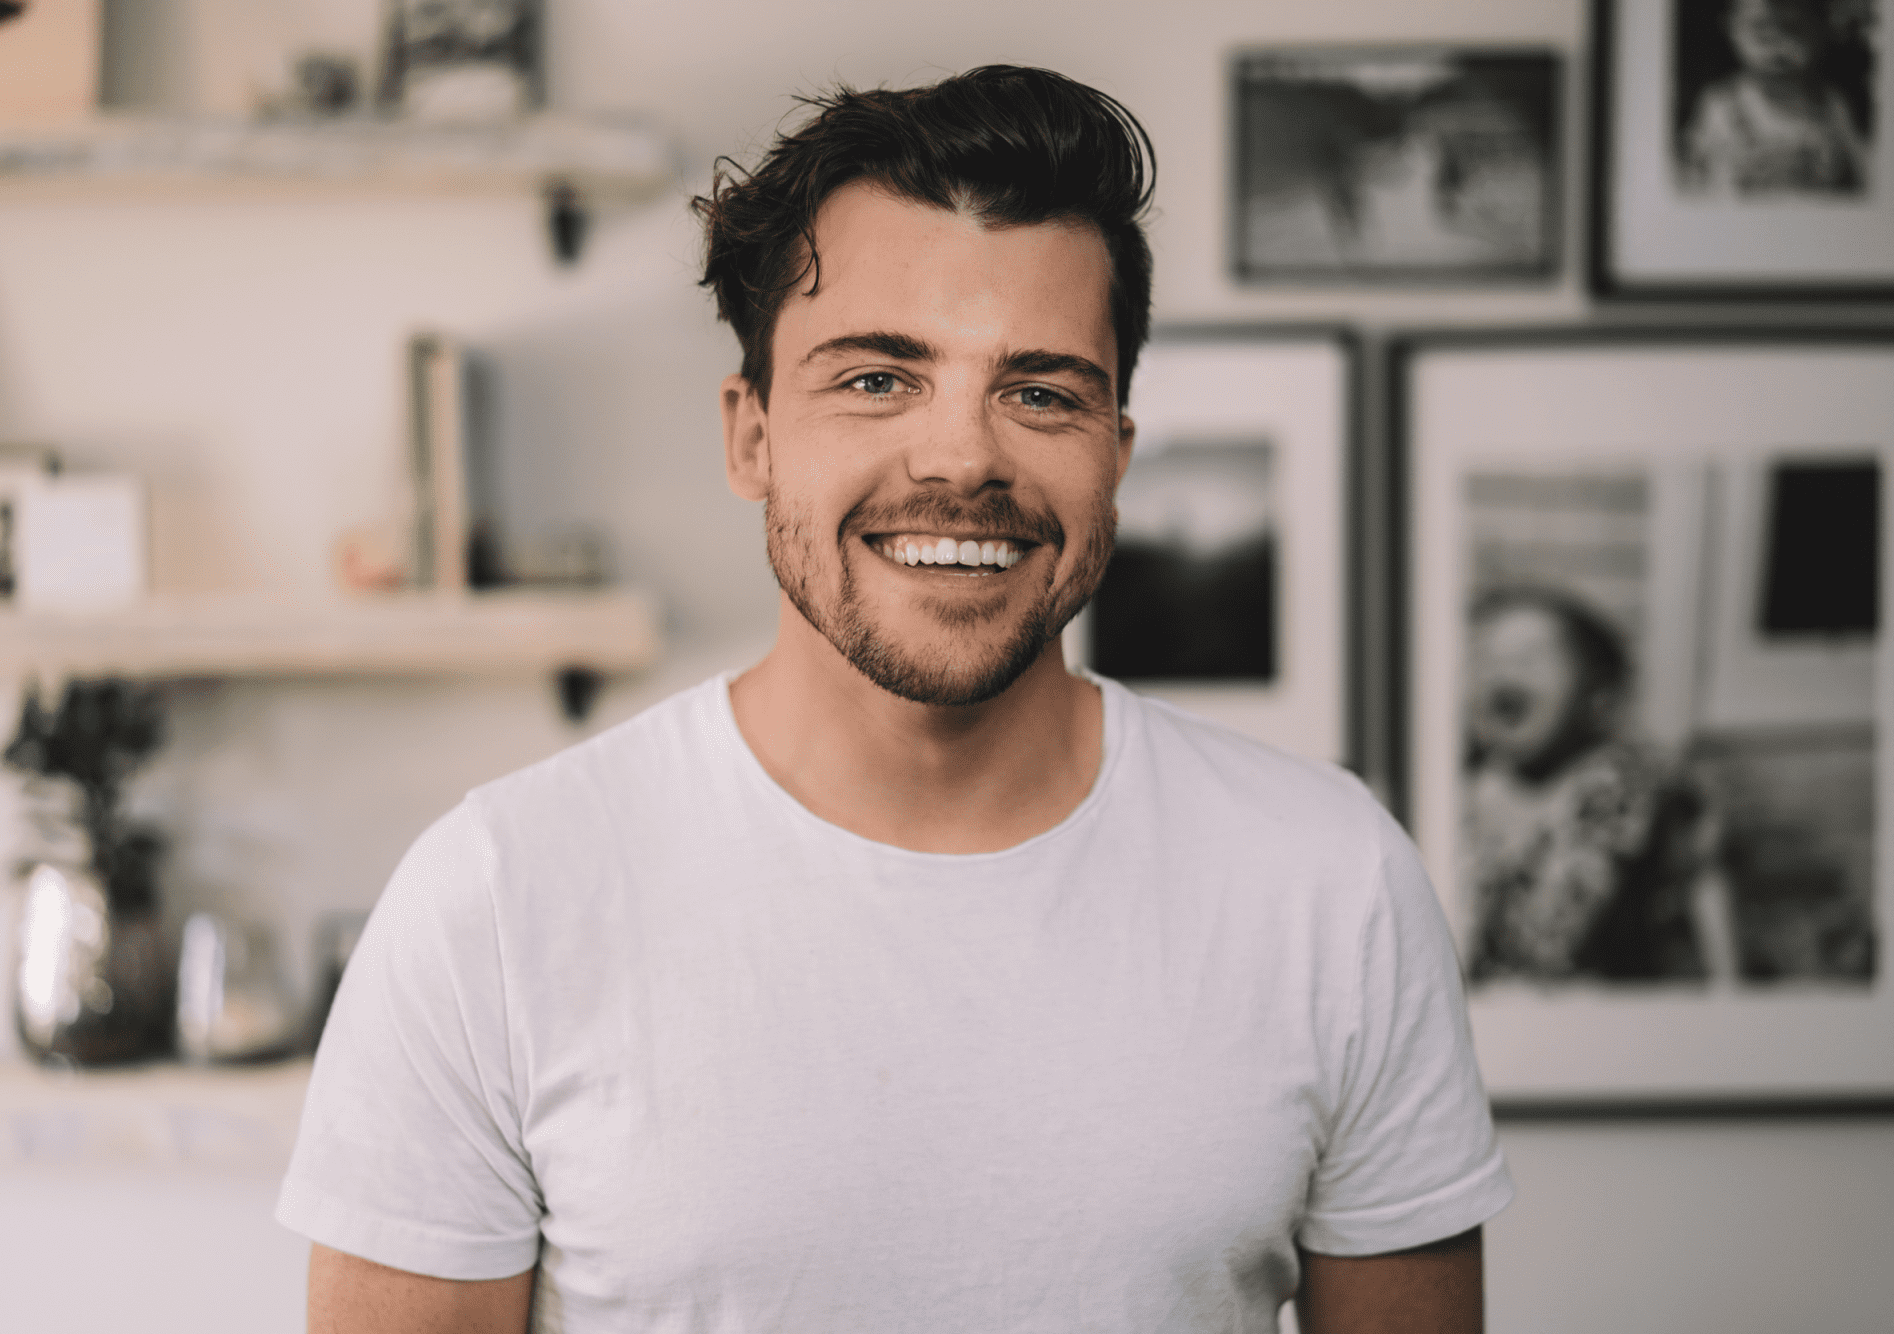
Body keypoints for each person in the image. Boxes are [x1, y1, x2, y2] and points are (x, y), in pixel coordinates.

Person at [278, 65, 1513, 1333]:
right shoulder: (495, 897)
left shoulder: (1328, 878)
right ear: (750, 435)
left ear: (1116, 457)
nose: (962, 457)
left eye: (1039, 391)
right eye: (876, 378)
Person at [1462, 586, 1709, 983]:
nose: (1504, 670)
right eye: (1485, 657)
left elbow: (1547, 941)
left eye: (1531, 657)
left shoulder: (1619, 789)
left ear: (1593, 689)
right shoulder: (1458, 789)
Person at [1680, 0, 1869, 196]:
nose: (1778, 45)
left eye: (1793, 29)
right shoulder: (1721, 104)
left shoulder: (1831, 104)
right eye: (1761, 31)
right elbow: (1699, 179)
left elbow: (1866, 179)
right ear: (1732, 28)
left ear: (1821, 29)